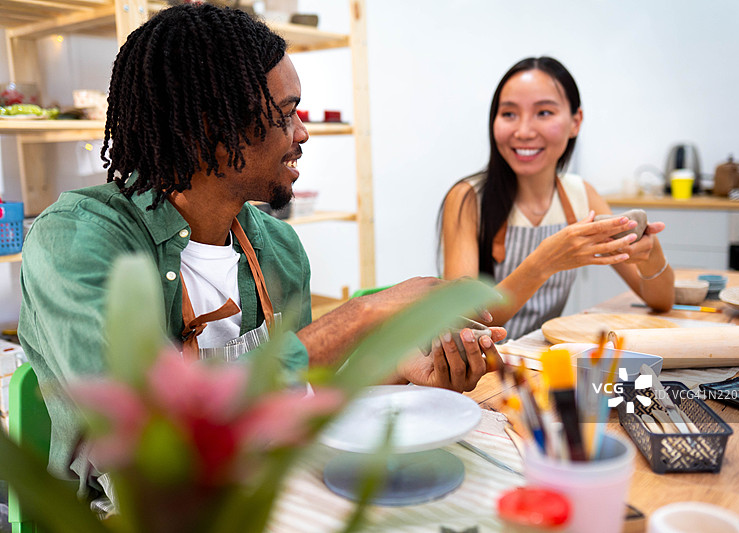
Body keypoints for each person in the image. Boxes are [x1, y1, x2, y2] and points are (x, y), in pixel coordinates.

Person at [17, 4, 504, 498]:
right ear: (212, 125)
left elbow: (293, 396)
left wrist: (403, 371)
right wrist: (360, 314)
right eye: (287, 113)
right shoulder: (77, 241)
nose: (302, 133)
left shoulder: (278, 247)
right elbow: (155, 439)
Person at [440, 57, 673, 340]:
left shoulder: (581, 195)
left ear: (575, 122)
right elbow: (462, 322)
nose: (523, 131)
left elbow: (661, 301)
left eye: (544, 113)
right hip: (481, 374)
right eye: (509, 114)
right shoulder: (467, 198)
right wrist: (543, 262)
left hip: (539, 363)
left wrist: (650, 253)